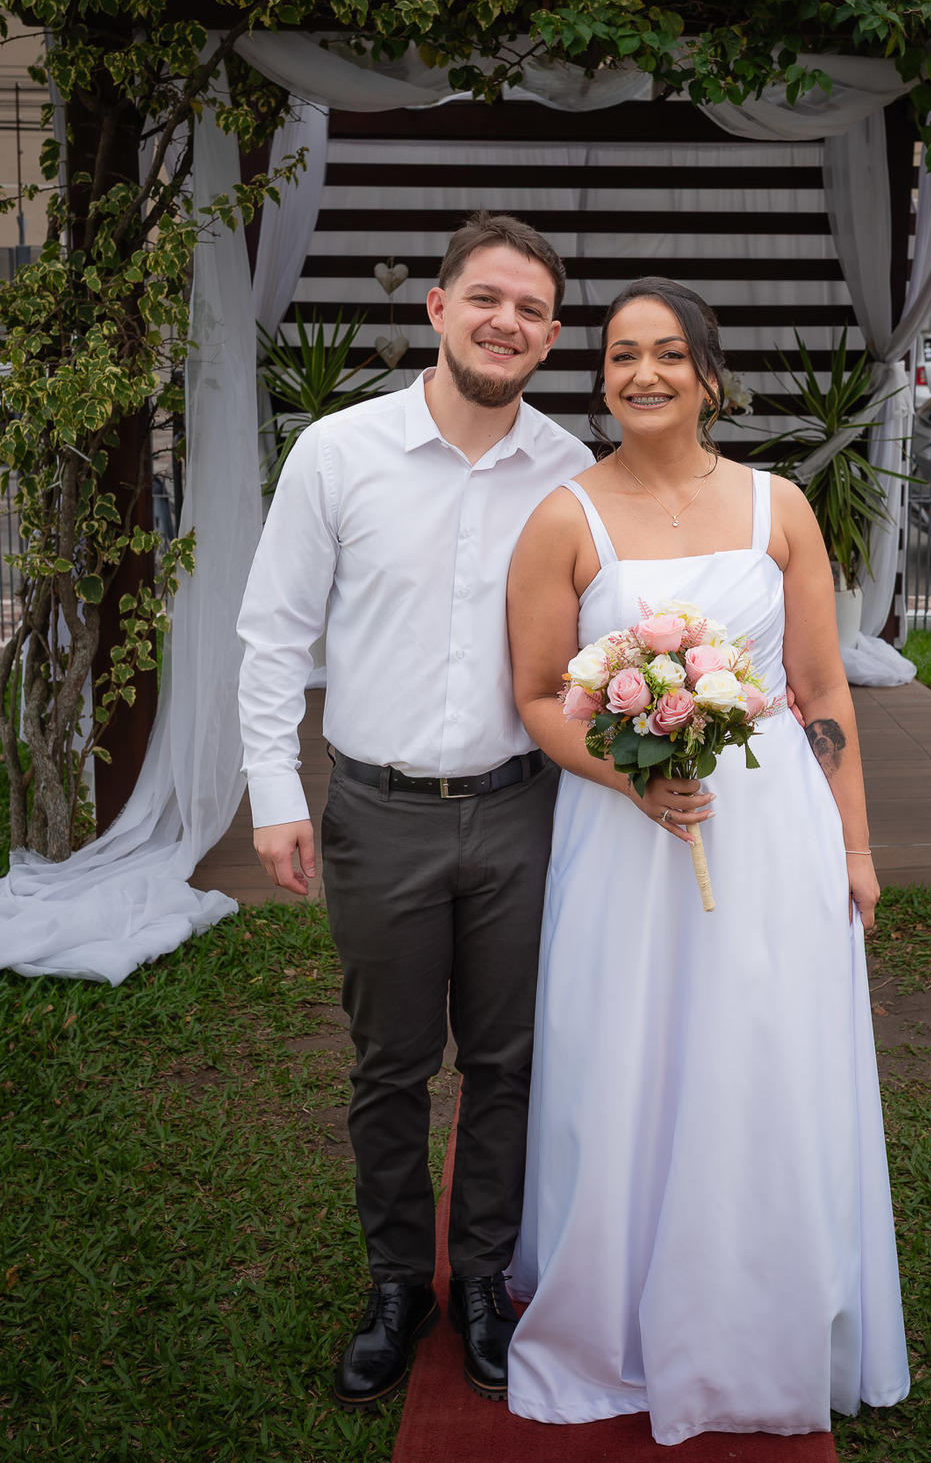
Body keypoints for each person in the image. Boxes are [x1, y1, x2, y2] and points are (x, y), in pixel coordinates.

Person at [504, 278, 910, 1445]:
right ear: (603, 379)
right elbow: (537, 696)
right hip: (624, 834)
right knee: (621, 1052)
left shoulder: (780, 508)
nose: (643, 373)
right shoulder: (562, 519)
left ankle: (754, 1310)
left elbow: (823, 689)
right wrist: (632, 773)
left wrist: (857, 844)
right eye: (622, 354)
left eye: (668, 354)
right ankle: (617, 1312)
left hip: (771, 827)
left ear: (709, 376)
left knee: (758, 1055)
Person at [236, 211, 593, 1411]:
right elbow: (273, 633)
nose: (508, 322)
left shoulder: (570, 473)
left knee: (508, 1062)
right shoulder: (337, 454)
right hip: (377, 812)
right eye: (487, 297)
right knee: (391, 1066)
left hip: (521, 815)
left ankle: (484, 1275)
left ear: (549, 338)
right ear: (437, 309)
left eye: (533, 309)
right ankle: (401, 1282)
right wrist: (276, 794)